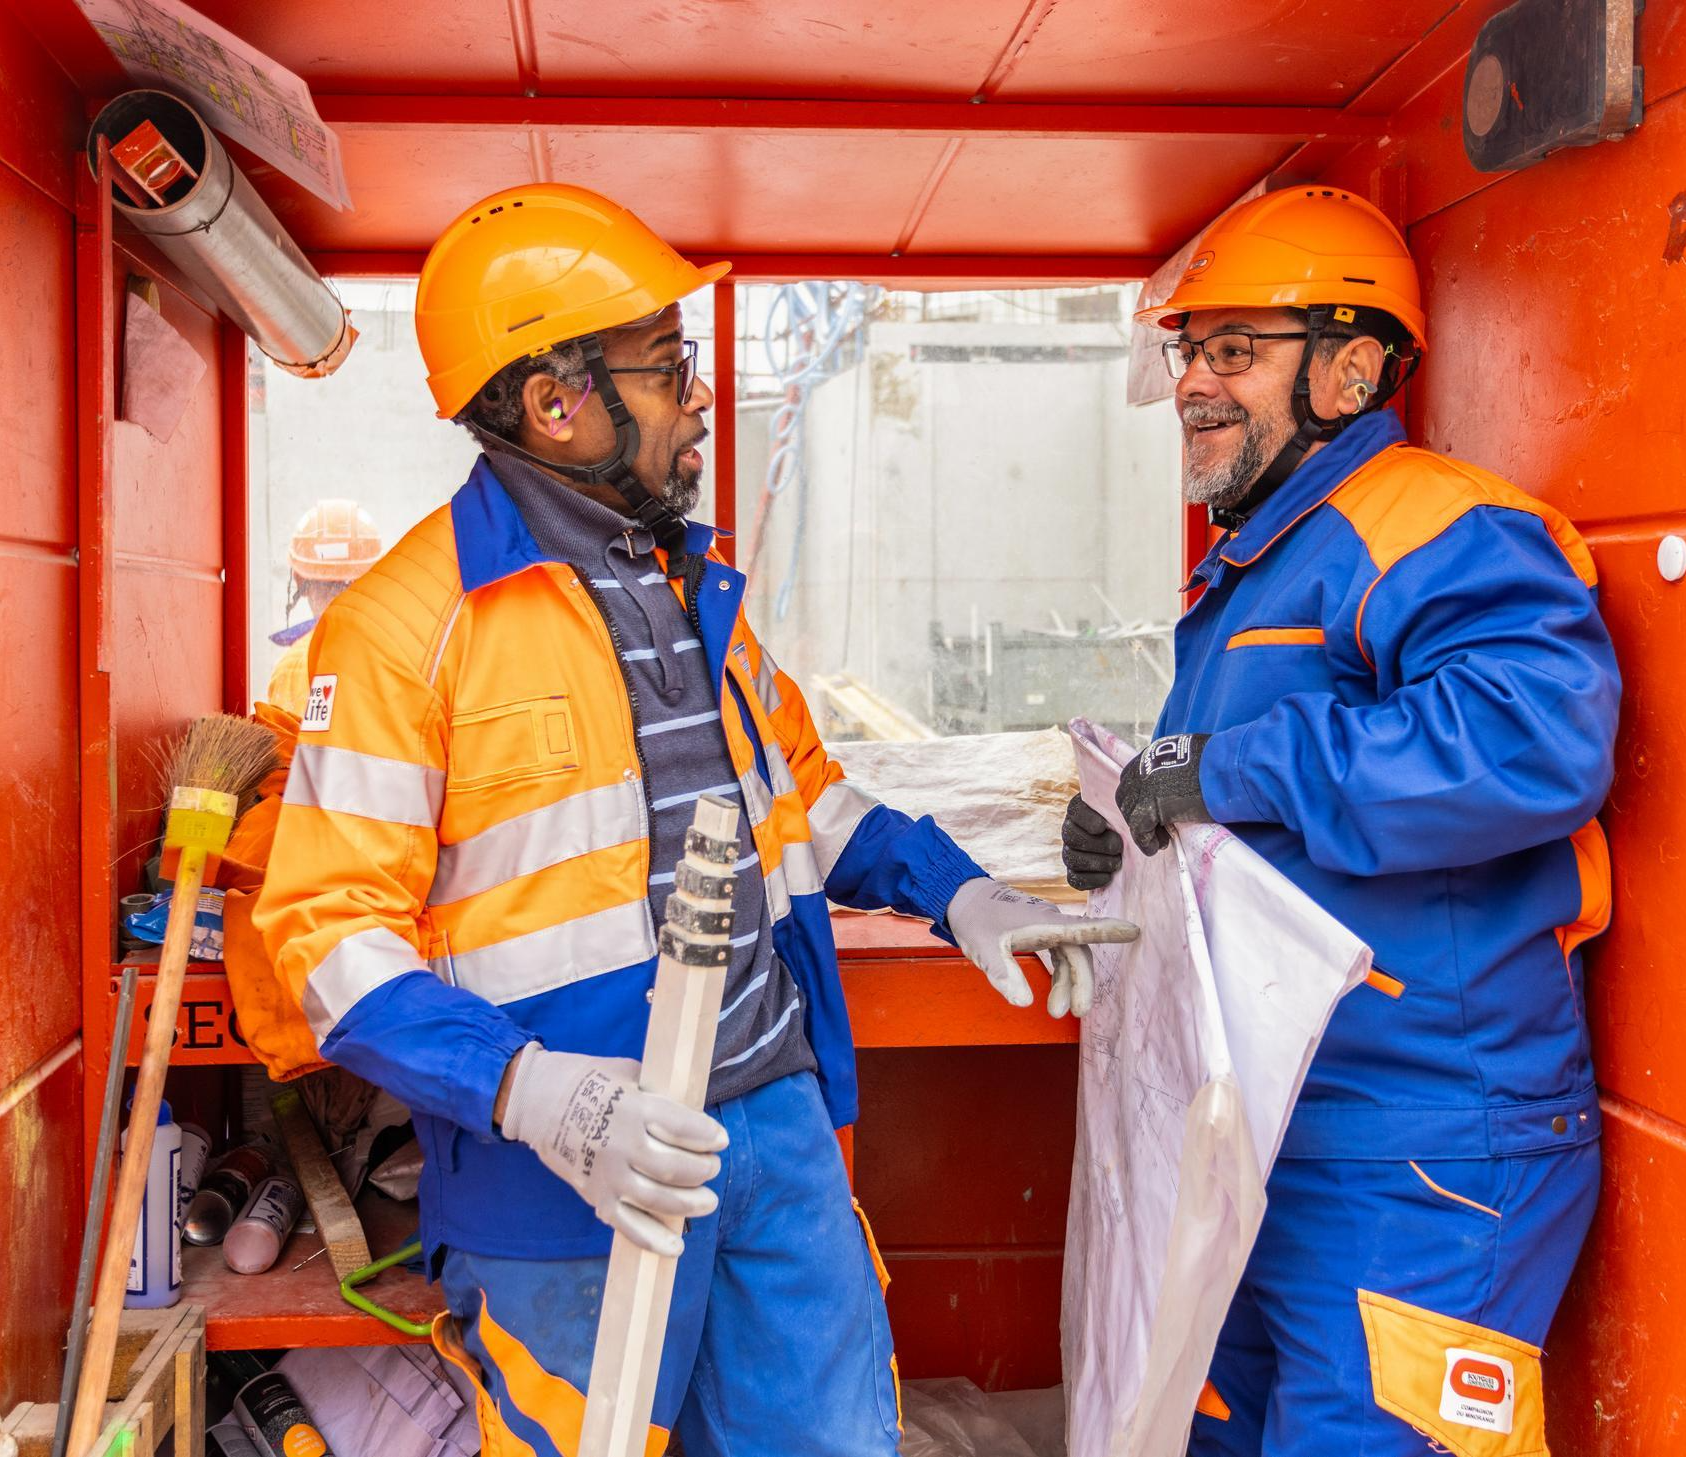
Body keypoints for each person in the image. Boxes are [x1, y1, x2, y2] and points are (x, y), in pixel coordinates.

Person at [254, 182, 1136, 1457]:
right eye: (666, 366)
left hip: (771, 1118)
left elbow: (809, 801)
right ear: (557, 404)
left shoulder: (689, 583)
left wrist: (962, 891)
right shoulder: (402, 627)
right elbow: (327, 942)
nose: (699, 395)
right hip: (563, 1170)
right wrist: (537, 1094)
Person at [1061, 186, 1621, 1457]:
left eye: (1234, 351)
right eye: (1188, 352)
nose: (1197, 385)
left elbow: (1527, 744)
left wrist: (1224, 769)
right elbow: (1241, 804)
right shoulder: (1260, 561)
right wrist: (1129, 831)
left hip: (1422, 1147)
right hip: (1271, 1129)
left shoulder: (1437, 525)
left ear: (1350, 367)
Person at [264, 498, 380, 715]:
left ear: (299, 580)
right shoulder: (402, 654)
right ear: (372, 579)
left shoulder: (291, 669)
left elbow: (281, 744)